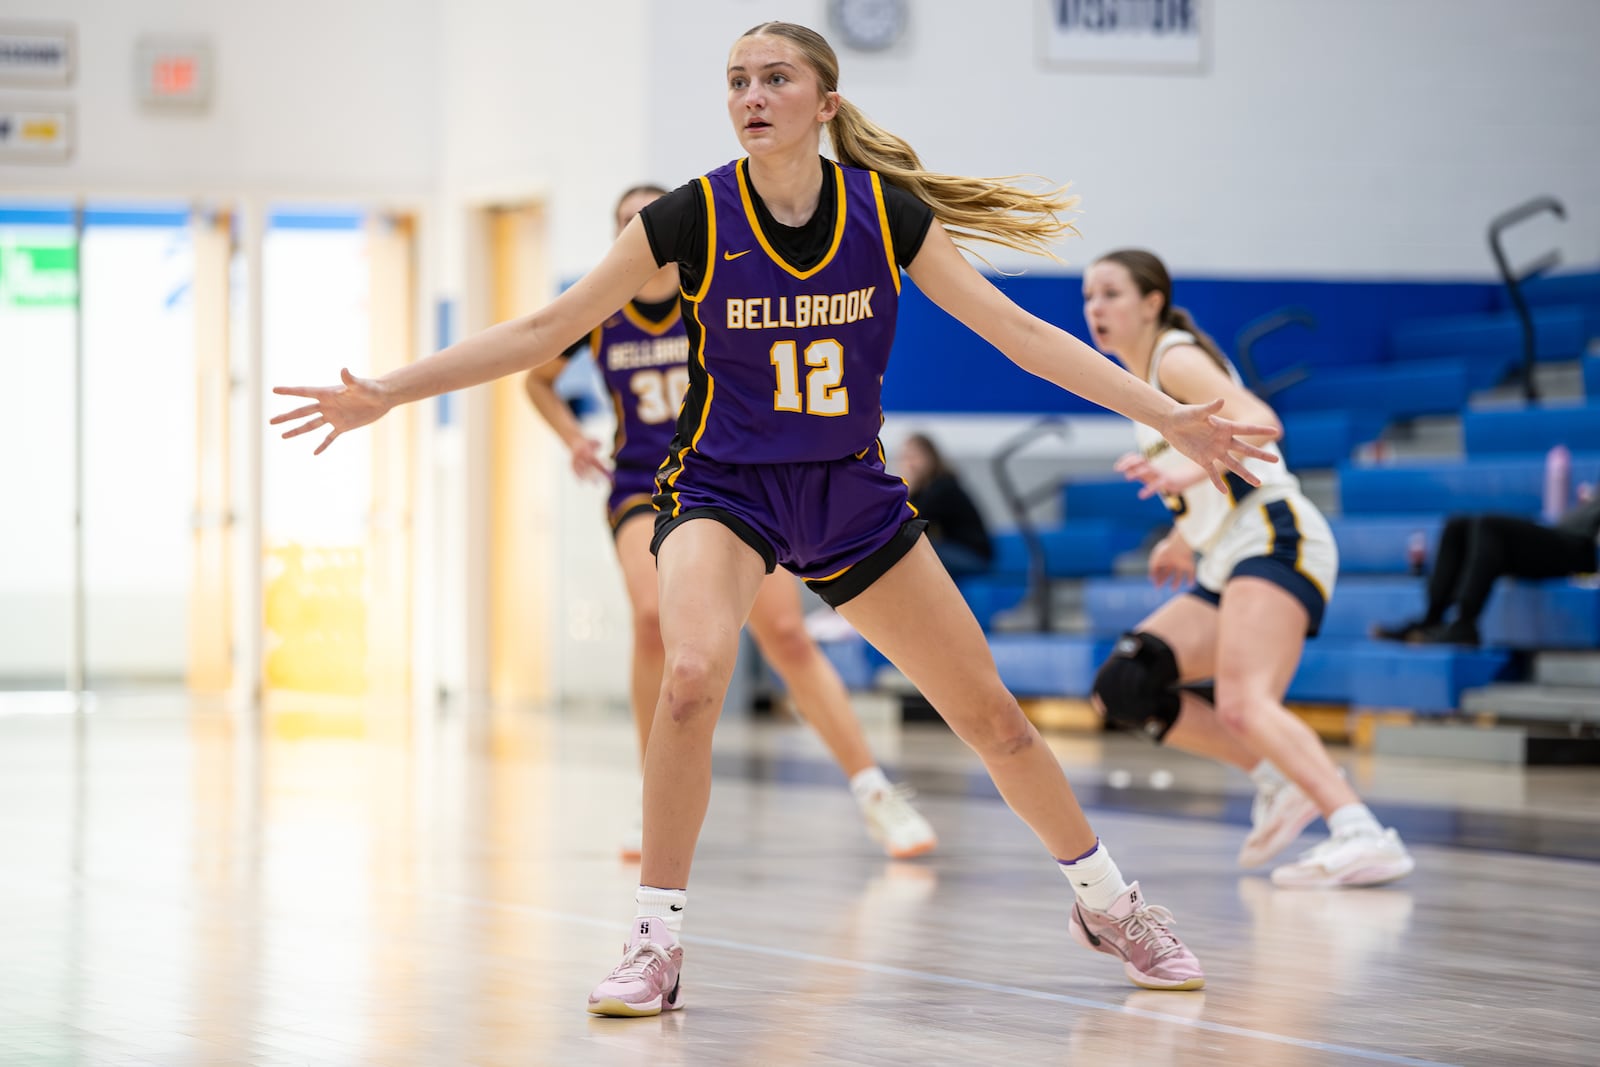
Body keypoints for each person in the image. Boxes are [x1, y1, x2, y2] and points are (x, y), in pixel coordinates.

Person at [274, 21, 1285, 1015]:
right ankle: (654, 937)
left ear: (825, 103)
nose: (751, 95)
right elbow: (546, 327)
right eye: (736, 80)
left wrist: (1167, 415)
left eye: (774, 78)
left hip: (848, 488)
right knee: (690, 672)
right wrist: (392, 391)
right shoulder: (688, 217)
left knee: (993, 718)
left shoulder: (884, 213)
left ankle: (1109, 904)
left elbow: (1018, 334)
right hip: (723, 486)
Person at [524, 183, 938, 862]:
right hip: (641, 484)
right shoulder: (601, 308)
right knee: (652, 620)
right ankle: (649, 791)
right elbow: (535, 377)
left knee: (785, 635)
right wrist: (572, 434)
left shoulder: (713, 292)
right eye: (629, 222)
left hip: (729, 484)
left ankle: (874, 790)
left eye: (651, 219)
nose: (644, 233)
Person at [1082, 248, 1415, 890]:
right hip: (1228, 551)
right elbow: (1208, 477)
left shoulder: (1174, 357)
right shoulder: (1141, 388)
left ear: (1152, 302)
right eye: (1090, 296)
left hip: (1274, 531)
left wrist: (1182, 469)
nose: (1096, 307)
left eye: (1112, 294)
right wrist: (1182, 534)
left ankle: (1360, 831)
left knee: (1243, 701)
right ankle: (1276, 782)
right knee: (1125, 684)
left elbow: (1260, 422)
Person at [1373, 495, 1600, 646]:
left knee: (1488, 526)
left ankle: (1465, 623)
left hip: (1582, 548)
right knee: (1458, 525)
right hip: (1562, 533)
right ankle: (1432, 619)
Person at [897, 432, 993, 577]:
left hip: (973, 555)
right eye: (905, 458)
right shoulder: (924, 489)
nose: (909, 463)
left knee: (914, 554)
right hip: (955, 550)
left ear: (930, 458)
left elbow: (910, 518)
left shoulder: (943, 486)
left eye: (914, 457)